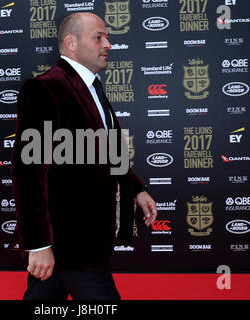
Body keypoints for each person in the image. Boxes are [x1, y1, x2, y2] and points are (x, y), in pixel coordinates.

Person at [11, 12, 157, 300]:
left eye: (108, 37)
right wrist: (39, 244)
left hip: (86, 239)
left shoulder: (92, 88)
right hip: (71, 244)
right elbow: (28, 172)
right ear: (71, 43)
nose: (108, 44)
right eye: (99, 37)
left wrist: (136, 188)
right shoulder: (45, 88)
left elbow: (105, 153)